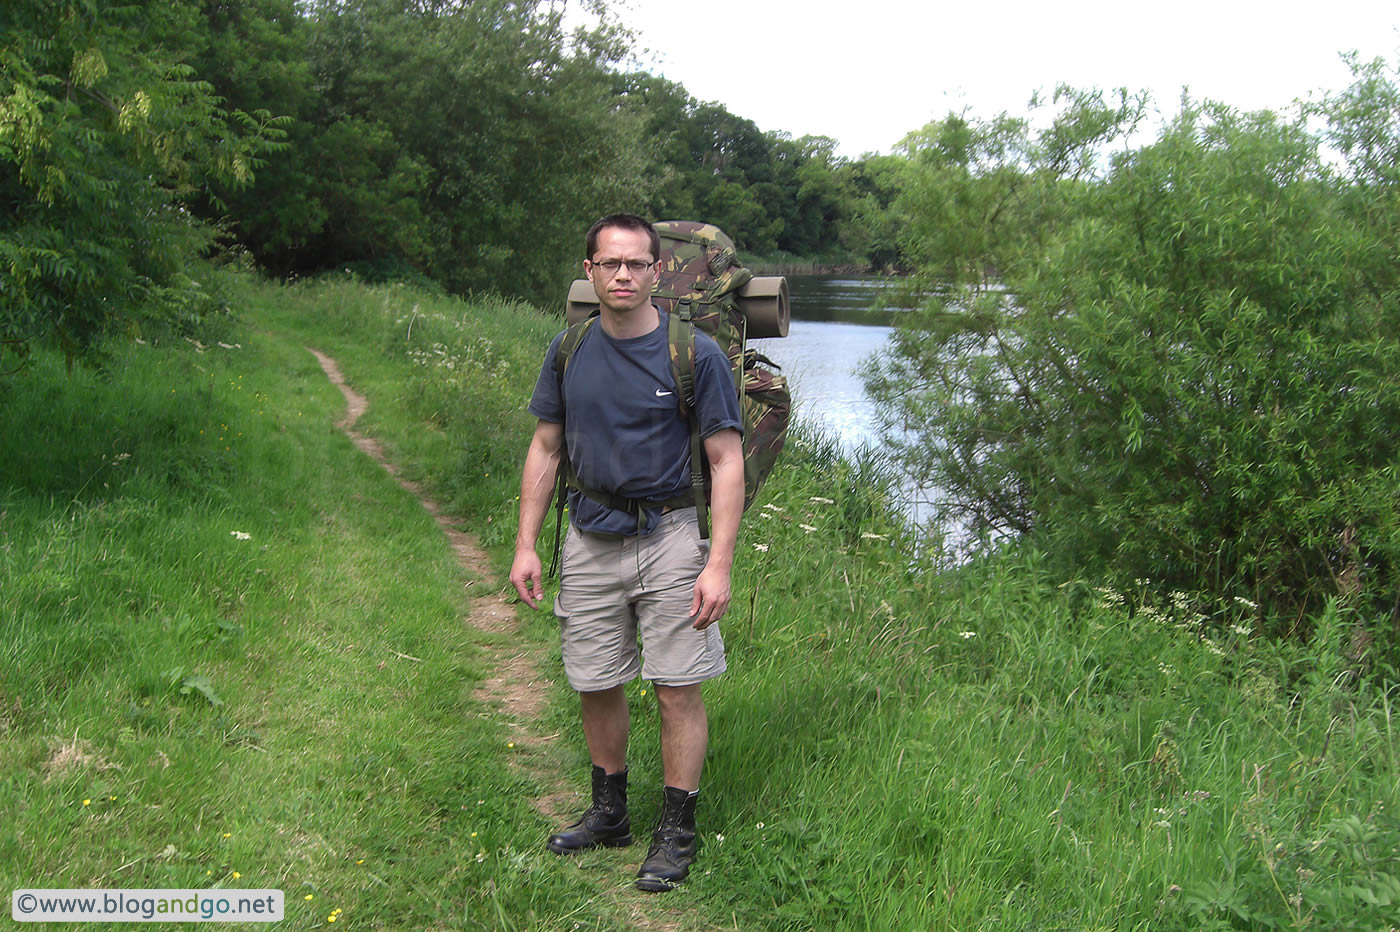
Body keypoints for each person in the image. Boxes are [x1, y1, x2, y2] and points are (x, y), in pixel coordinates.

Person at [509, 213, 744, 892]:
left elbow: (725, 462)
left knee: (677, 687)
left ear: (655, 272)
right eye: (608, 264)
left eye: (636, 264)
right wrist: (526, 544)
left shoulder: (693, 354)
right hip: (586, 537)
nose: (622, 276)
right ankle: (609, 812)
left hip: (669, 538)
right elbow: (546, 447)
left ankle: (676, 832)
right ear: (589, 271)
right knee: (595, 678)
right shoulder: (569, 348)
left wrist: (717, 563)